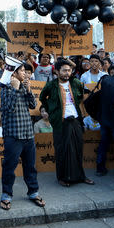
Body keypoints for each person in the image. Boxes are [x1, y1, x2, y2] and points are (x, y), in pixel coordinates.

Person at [39, 59, 94, 187]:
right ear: (57, 71)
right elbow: (42, 98)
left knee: (78, 148)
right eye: (64, 70)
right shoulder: (51, 85)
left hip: (75, 119)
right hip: (60, 121)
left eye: (69, 70)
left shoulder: (75, 82)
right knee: (62, 149)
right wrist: (52, 112)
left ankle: (81, 176)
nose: (67, 73)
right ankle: (62, 177)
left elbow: (80, 95)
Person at [0, 63, 45, 210]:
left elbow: (33, 105)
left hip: (28, 134)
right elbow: (10, 108)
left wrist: (29, 89)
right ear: (14, 74)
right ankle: (6, 195)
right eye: (23, 71)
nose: (25, 74)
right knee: (9, 167)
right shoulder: (5, 89)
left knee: (30, 167)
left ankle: (33, 192)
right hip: (13, 135)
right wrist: (15, 88)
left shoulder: (25, 87)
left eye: (26, 71)